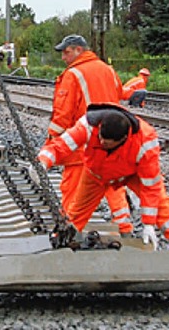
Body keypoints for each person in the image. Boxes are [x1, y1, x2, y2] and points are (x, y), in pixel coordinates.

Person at [34, 103, 169, 273]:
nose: (101, 142)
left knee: (163, 207)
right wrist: (42, 162)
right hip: (97, 174)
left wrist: (148, 224)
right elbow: (61, 145)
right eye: (100, 139)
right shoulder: (88, 125)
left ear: (123, 139)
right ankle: (58, 244)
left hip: (132, 173)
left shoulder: (146, 141)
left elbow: (150, 186)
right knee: (76, 213)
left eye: (106, 143)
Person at [44, 34, 133, 235]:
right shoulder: (108, 70)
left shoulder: (73, 74)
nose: (63, 58)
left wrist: (52, 142)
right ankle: (124, 227)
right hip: (111, 139)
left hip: (83, 143)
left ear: (78, 50)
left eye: (66, 52)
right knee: (113, 184)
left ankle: (67, 227)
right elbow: (120, 93)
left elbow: (63, 115)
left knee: (72, 187)